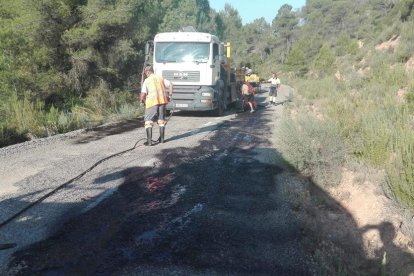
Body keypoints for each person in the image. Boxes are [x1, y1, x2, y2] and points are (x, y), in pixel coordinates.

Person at [140, 65, 173, 145]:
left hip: (152, 102)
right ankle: (162, 140)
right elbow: (171, 84)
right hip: (162, 102)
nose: (145, 75)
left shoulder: (147, 80)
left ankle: (149, 142)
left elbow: (143, 94)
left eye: (145, 73)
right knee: (161, 120)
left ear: (148, 72)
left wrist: (142, 101)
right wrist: (170, 96)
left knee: (148, 121)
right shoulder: (160, 78)